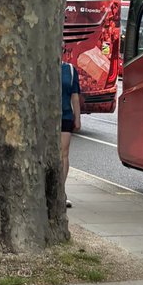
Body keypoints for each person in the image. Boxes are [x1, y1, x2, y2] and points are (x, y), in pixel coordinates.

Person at [61, 60, 81, 208]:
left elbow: (75, 96)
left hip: (65, 115)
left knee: (64, 153)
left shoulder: (70, 70)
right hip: (45, 118)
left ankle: (60, 191)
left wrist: (77, 118)